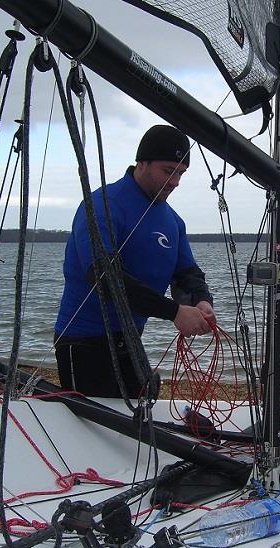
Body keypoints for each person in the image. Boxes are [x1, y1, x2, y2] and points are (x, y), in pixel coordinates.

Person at [54, 125, 216, 398]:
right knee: (101, 429)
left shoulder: (173, 221)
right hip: (83, 343)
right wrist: (175, 312)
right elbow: (105, 280)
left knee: (143, 413)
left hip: (130, 342)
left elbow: (186, 273)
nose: (175, 181)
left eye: (181, 173)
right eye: (168, 171)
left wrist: (200, 301)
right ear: (142, 162)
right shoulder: (102, 206)